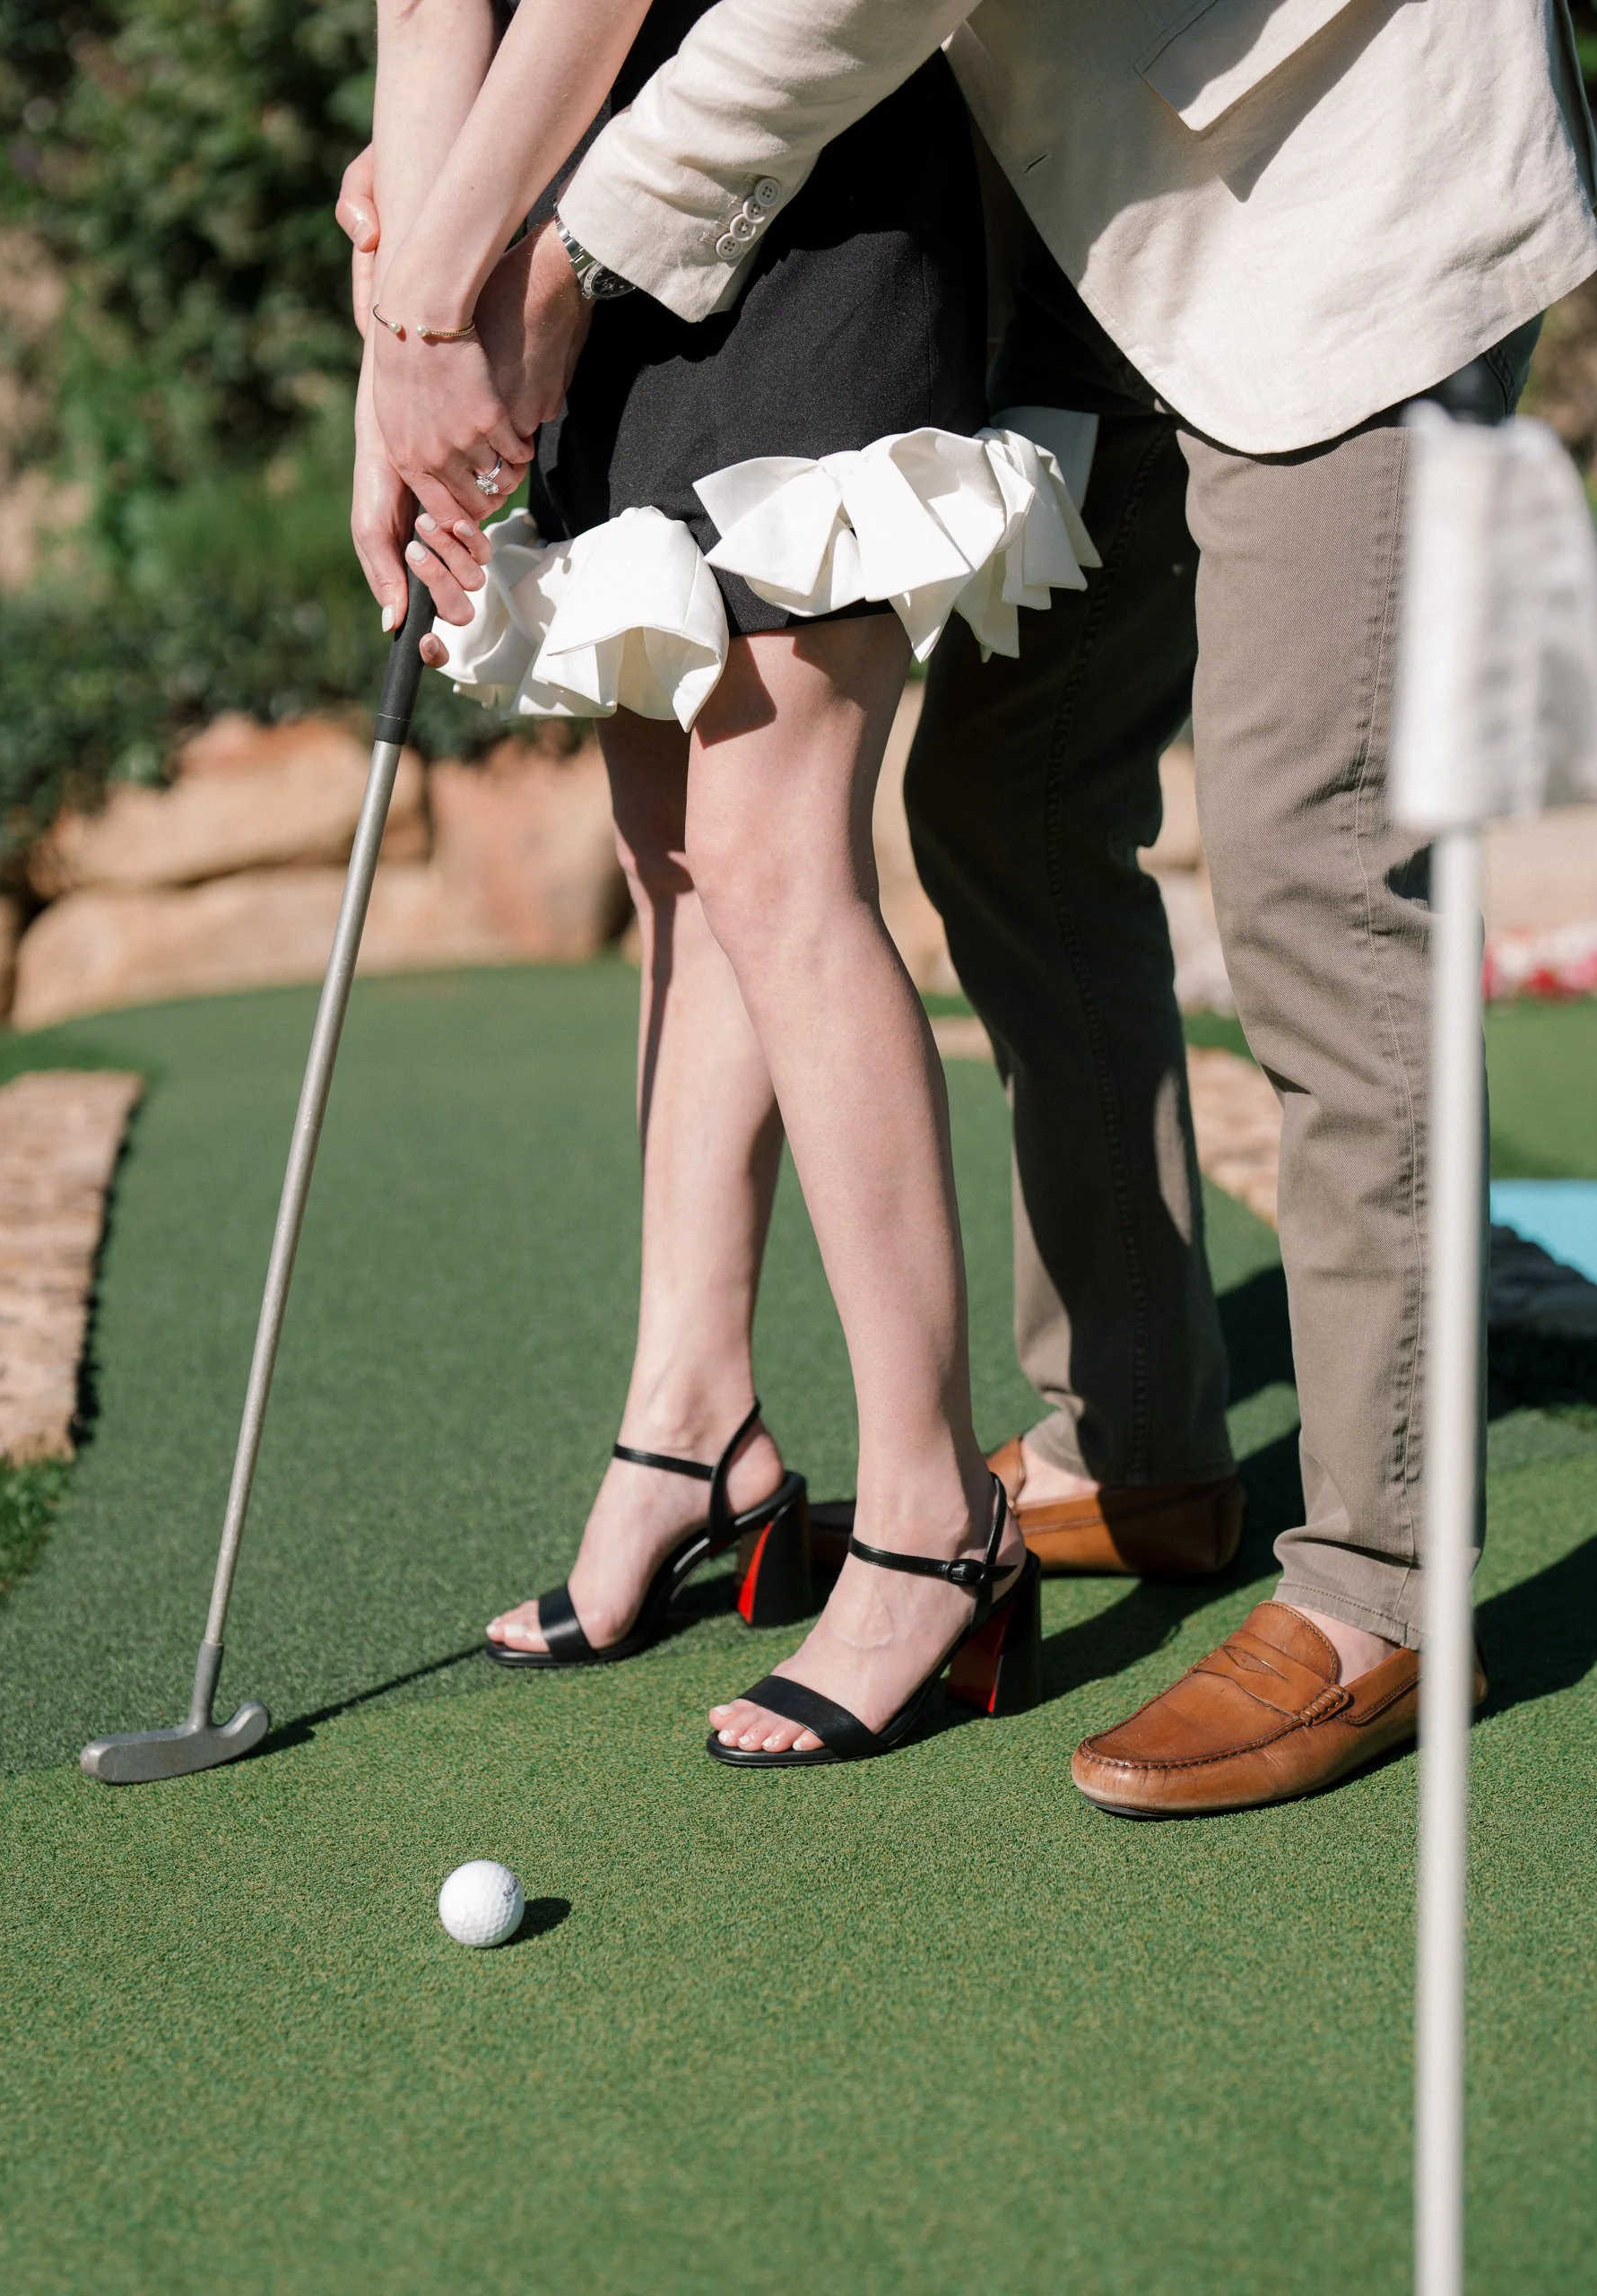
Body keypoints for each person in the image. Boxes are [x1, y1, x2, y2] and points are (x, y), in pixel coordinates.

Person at [352, 0, 1597, 1811]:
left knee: (1311, 858)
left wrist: (561, 242)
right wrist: (440, 216)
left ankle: (1383, 1584)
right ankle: (1144, 1442)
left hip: (1340, 173)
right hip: (1081, 208)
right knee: (1004, 804)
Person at [349, 0, 1098, 1762]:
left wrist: (446, 281)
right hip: (555, 247)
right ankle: (694, 1424)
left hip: (782, 180)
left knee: (773, 855)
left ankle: (936, 1516)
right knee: (675, 859)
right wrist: (407, 328)